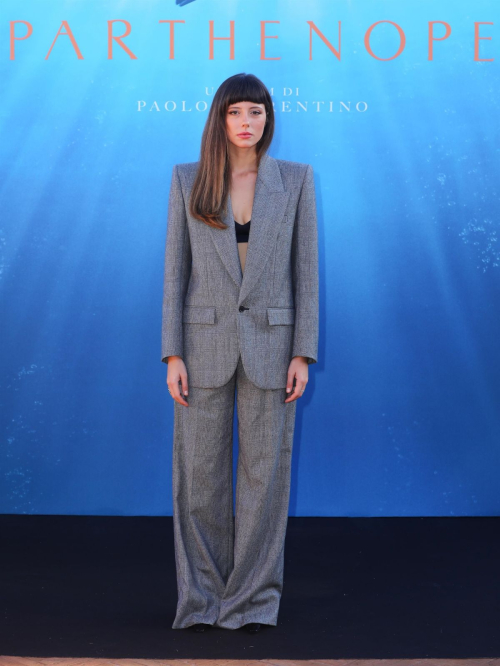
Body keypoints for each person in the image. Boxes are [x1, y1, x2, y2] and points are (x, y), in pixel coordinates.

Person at [161, 72, 319, 634]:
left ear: (268, 118)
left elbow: (307, 273)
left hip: (274, 351)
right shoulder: (188, 181)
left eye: (255, 112)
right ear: (219, 119)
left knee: (264, 480)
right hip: (201, 348)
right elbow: (175, 273)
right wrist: (171, 353)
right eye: (235, 113)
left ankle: (251, 601)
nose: (246, 123)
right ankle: (202, 600)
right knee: (198, 479)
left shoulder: (296, 181)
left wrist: (303, 351)